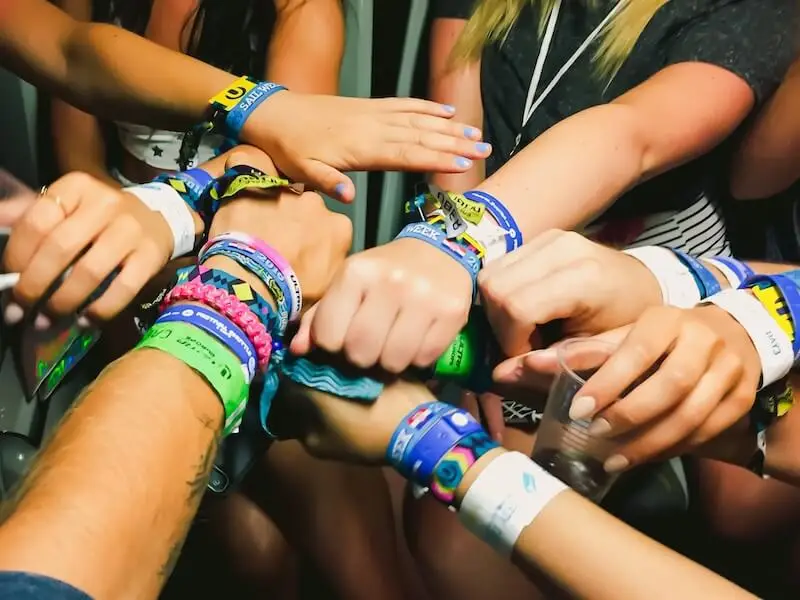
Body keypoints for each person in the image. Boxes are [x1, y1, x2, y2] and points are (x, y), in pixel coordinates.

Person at [0, 0, 490, 202]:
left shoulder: (303, 9)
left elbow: (271, 186)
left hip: (221, 234)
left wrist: (160, 229)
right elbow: (70, 58)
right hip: (109, 212)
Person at [51, 0, 344, 187]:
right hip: (114, 212)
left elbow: (284, 185)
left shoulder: (304, 8)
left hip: (230, 245)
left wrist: (172, 236)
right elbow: (78, 157)